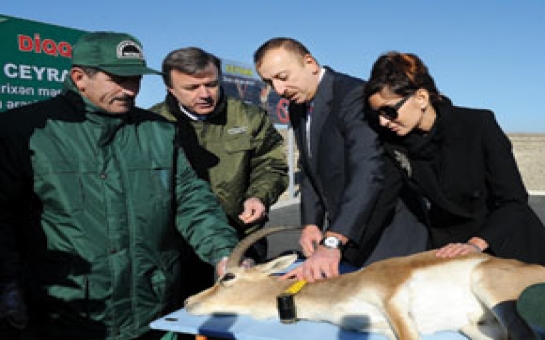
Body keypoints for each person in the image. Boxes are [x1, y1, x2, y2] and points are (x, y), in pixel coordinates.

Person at [0, 31, 240, 340]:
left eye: (136, 80)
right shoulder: (26, 131)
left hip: (153, 308)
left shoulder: (158, 132)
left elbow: (191, 200)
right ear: (79, 77)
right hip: (68, 315)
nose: (130, 90)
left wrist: (224, 253)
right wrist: (7, 285)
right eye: (118, 79)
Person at [253, 38, 428, 282]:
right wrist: (311, 224)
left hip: (387, 232)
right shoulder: (298, 107)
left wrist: (334, 239)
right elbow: (310, 168)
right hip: (347, 234)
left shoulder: (353, 95)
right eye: (269, 82)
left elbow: (368, 171)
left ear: (310, 63)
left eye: (283, 76)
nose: (279, 90)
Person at [363, 51, 545, 265]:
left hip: (509, 249)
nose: (384, 122)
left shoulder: (477, 126)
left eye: (389, 111)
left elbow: (513, 201)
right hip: (454, 255)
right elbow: (382, 202)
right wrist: (338, 248)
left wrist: (476, 244)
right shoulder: (395, 144)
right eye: (378, 115)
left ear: (421, 98)